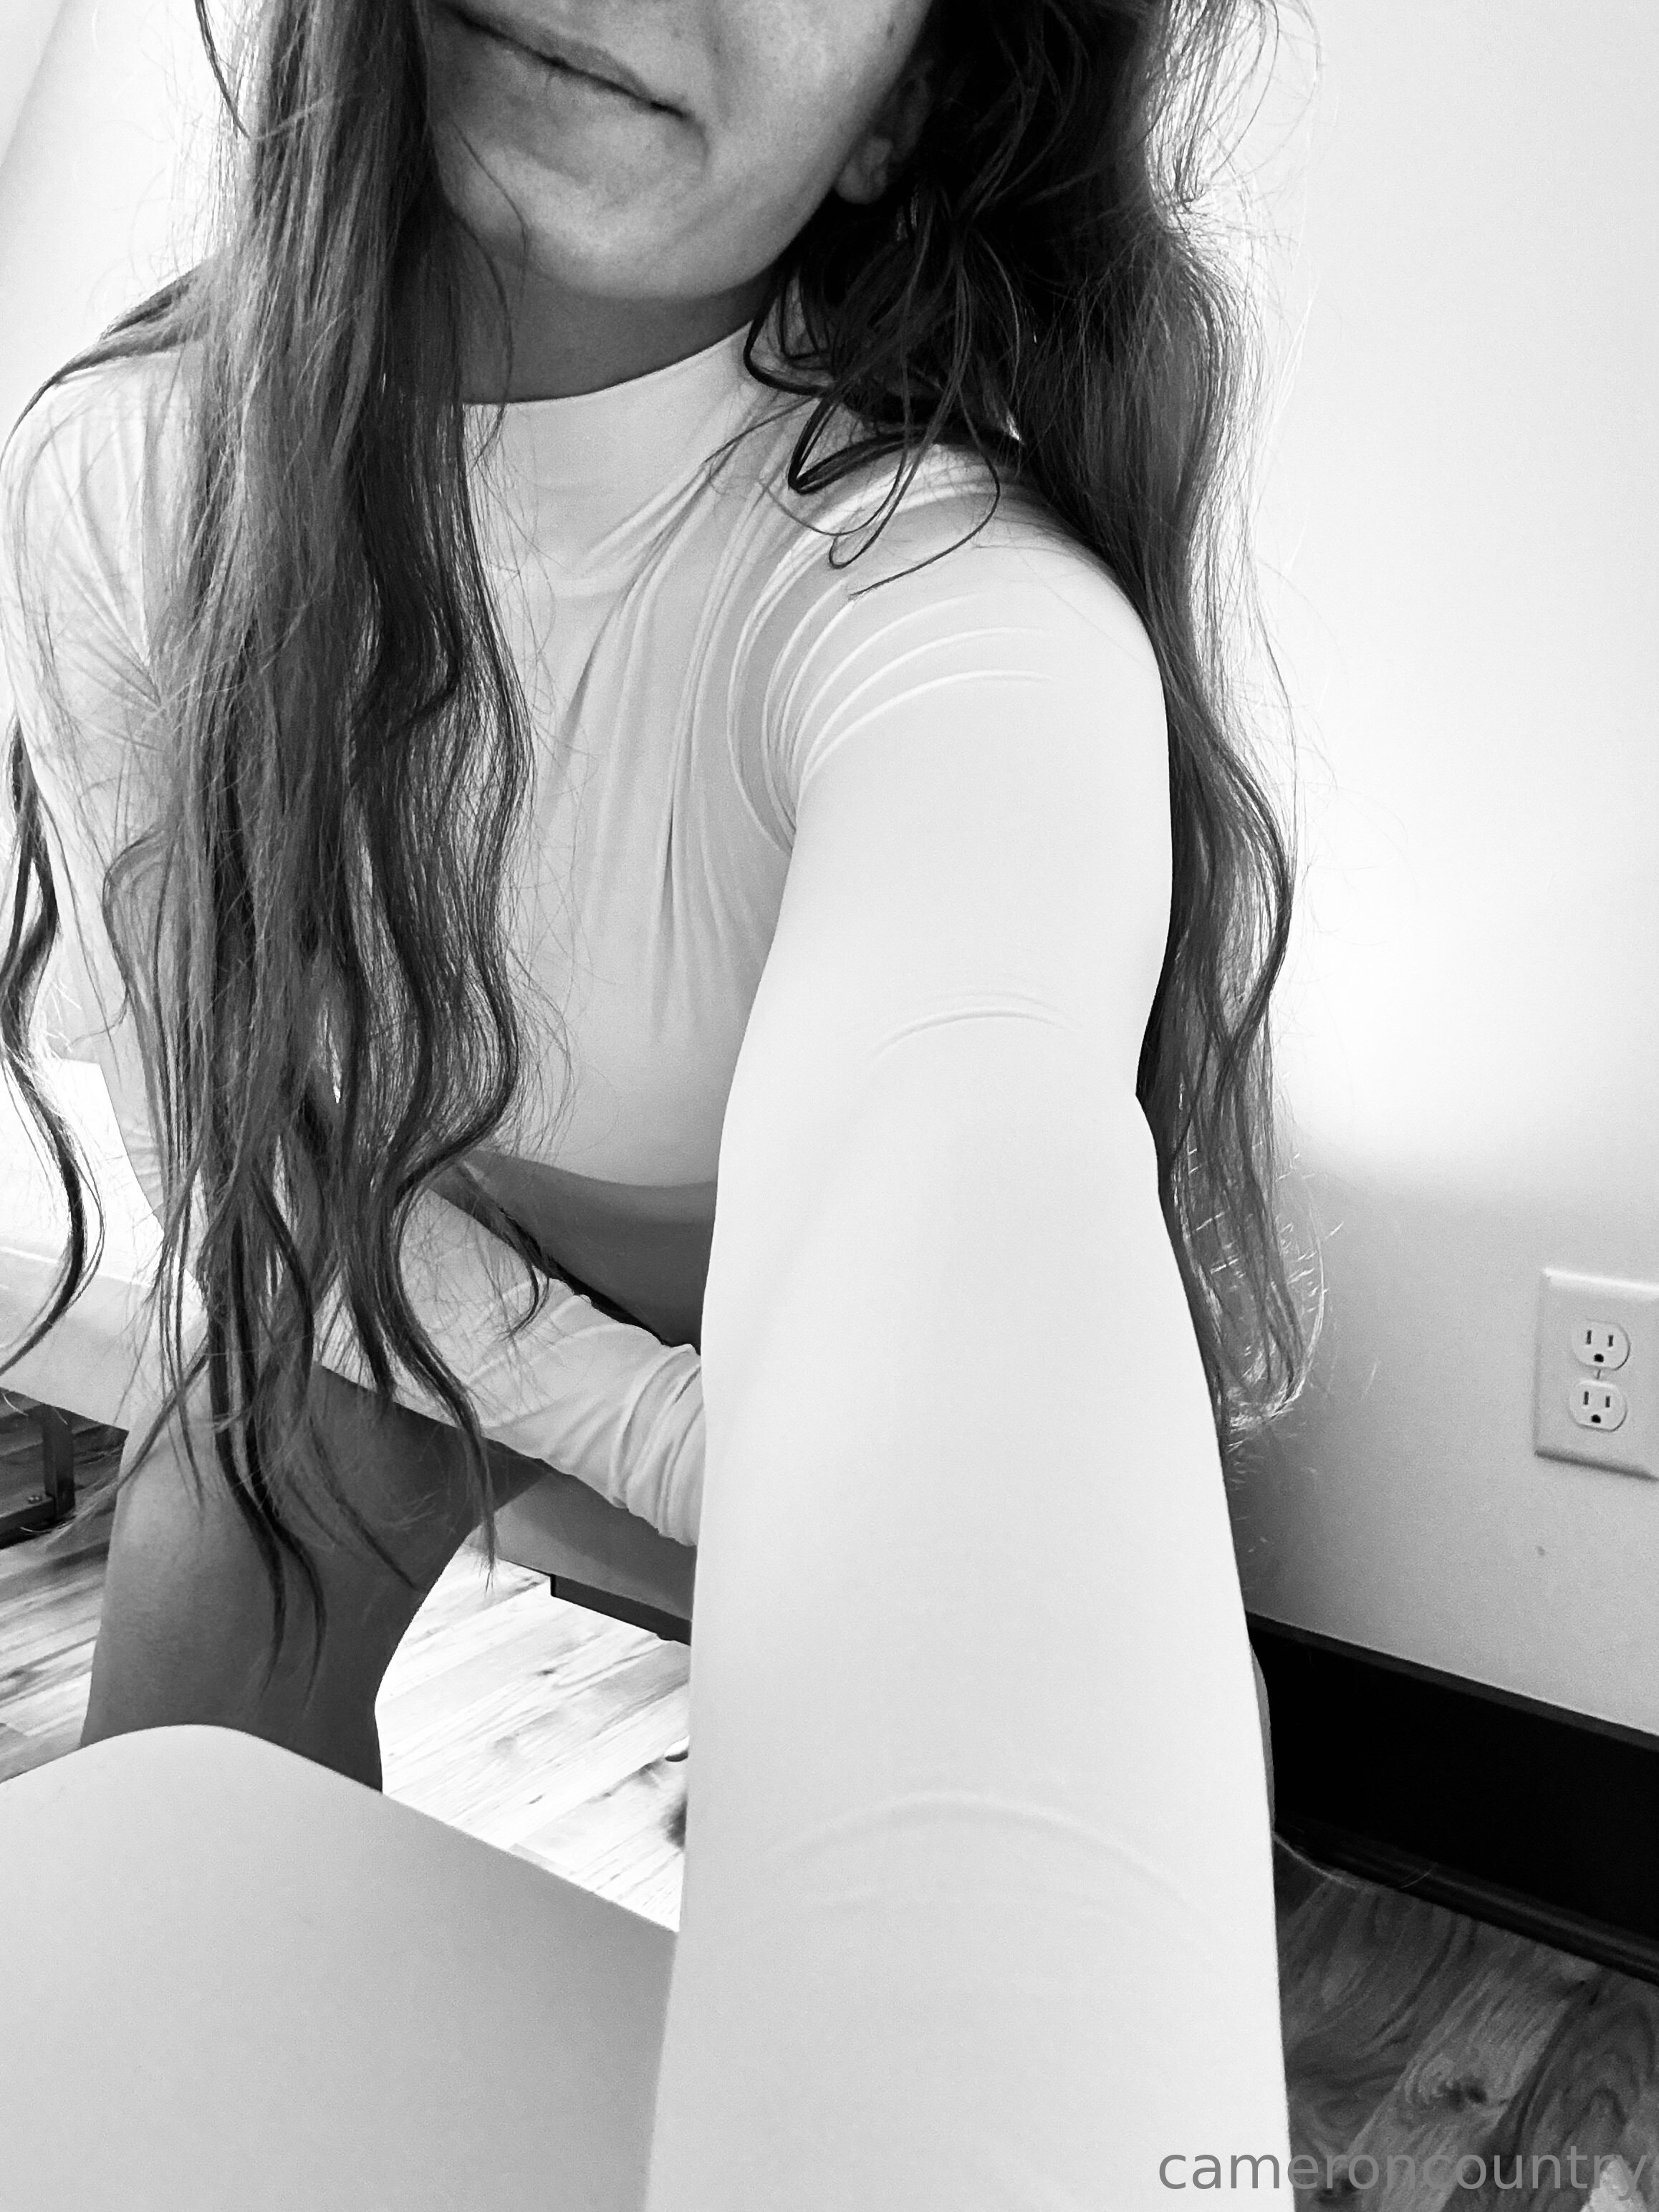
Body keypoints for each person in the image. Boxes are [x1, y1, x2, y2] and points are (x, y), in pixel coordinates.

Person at [0, 0, 1319, 2200]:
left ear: (902, 107)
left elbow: (964, 1148)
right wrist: (677, 1445)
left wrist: (818, 1516)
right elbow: (234, 1130)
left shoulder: (940, 606)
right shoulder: (128, 474)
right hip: (394, 1259)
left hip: (800, 1333)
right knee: (167, 1781)